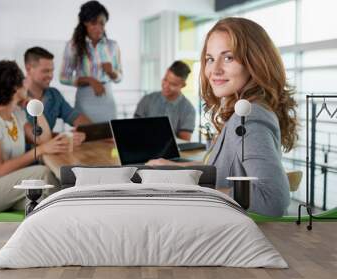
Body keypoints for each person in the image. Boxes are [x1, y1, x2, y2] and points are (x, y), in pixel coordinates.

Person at [147, 17, 299, 217]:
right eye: (210, 59)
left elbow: (273, 200)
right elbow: (223, 170)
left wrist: (199, 192)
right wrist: (176, 167)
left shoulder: (249, 119)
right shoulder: (243, 111)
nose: (214, 70)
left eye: (228, 57)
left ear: (255, 62)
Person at [0, 60, 70, 214]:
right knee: (42, 173)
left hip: (12, 185)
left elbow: (43, 139)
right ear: (14, 88)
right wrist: (41, 150)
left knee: (43, 201)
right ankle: (69, 216)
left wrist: (36, 107)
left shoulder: (17, 114)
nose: (26, 84)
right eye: (22, 81)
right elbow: (0, 169)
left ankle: (52, 231)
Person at [60, 0, 122, 122]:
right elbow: (63, 77)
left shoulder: (112, 46)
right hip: (85, 99)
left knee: (109, 138)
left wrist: (112, 73)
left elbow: (119, 77)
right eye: (94, 23)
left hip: (107, 100)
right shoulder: (73, 46)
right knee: (85, 138)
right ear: (85, 23)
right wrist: (90, 80)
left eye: (102, 24)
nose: (99, 28)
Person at [24, 47, 90, 146]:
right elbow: (28, 137)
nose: (51, 75)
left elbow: (76, 117)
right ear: (29, 69)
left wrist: (86, 130)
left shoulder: (54, 95)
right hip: (24, 159)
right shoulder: (15, 97)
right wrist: (66, 136)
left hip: (49, 156)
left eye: (52, 71)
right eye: (46, 71)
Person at [134, 61, 195, 141]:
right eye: (165, 80)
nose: (166, 86)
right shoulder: (147, 100)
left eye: (173, 84)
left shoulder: (188, 109)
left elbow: (184, 142)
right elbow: (135, 130)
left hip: (171, 152)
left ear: (183, 85)